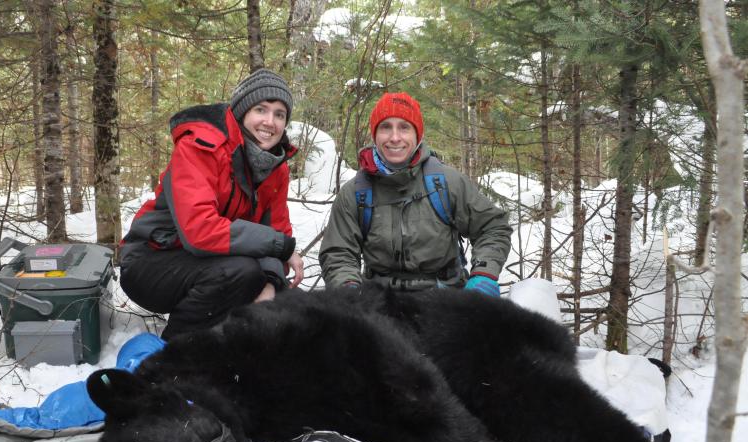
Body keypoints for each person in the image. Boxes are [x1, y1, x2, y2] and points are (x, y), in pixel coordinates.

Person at [119, 69, 304, 339]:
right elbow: (199, 230)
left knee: (288, 305)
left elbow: (276, 231)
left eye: (279, 114)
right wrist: (279, 248)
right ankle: (178, 351)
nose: (270, 122)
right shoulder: (200, 146)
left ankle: (227, 346)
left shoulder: (276, 168)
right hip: (150, 262)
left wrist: (272, 283)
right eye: (261, 110)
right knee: (241, 272)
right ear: (242, 112)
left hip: (210, 265)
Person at [318, 92, 512, 295]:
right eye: (386, 127)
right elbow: (339, 252)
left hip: (445, 297)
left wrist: (484, 273)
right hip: (380, 301)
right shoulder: (356, 192)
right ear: (375, 134)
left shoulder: (446, 182)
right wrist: (348, 288)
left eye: (404, 127)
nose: (395, 137)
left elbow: (492, 227)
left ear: (417, 134)